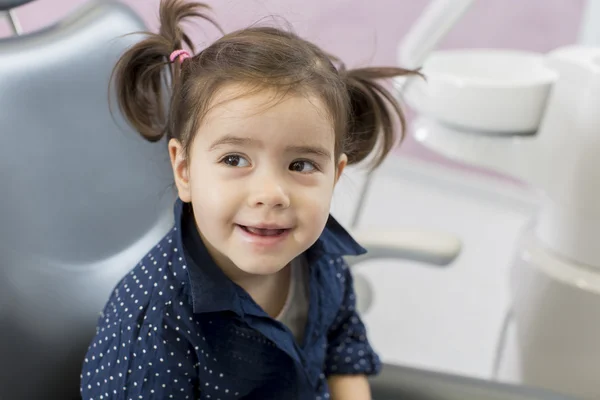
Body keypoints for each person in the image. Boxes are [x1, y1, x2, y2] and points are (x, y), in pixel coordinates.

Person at [80, 0, 419, 398]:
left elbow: (342, 356)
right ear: (184, 170)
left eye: (301, 165)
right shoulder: (155, 321)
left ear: (335, 175)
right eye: (235, 159)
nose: (271, 195)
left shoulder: (323, 258)